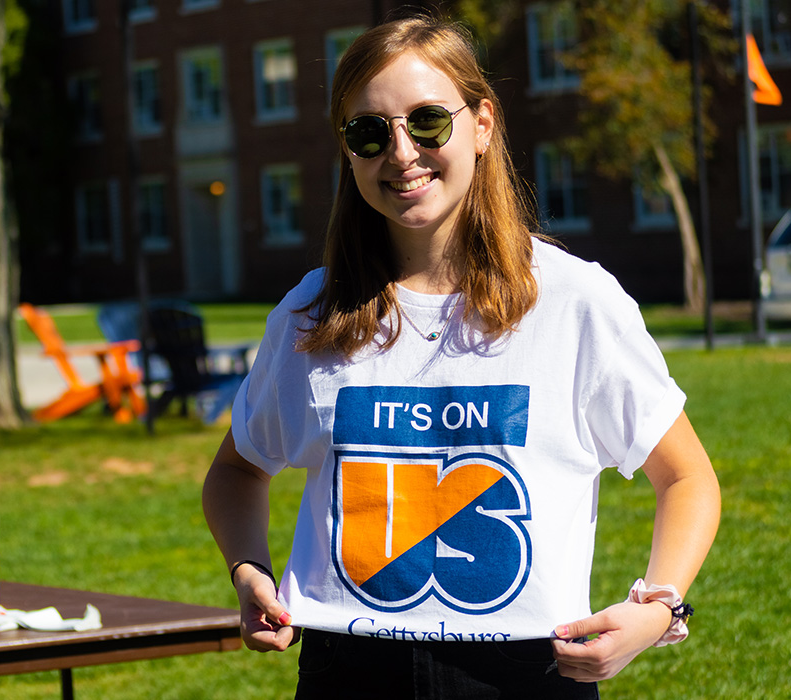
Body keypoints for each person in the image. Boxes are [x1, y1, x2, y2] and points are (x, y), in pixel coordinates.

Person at [202, 14, 720, 699]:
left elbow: (686, 479)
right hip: (346, 674)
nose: (402, 152)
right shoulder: (311, 316)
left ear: (482, 124)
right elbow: (238, 469)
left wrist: (657, 609)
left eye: (427, 122)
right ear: (347, 153)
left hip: (528, 675)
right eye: (368, 132)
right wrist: (249, 569)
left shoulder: (574, 301)